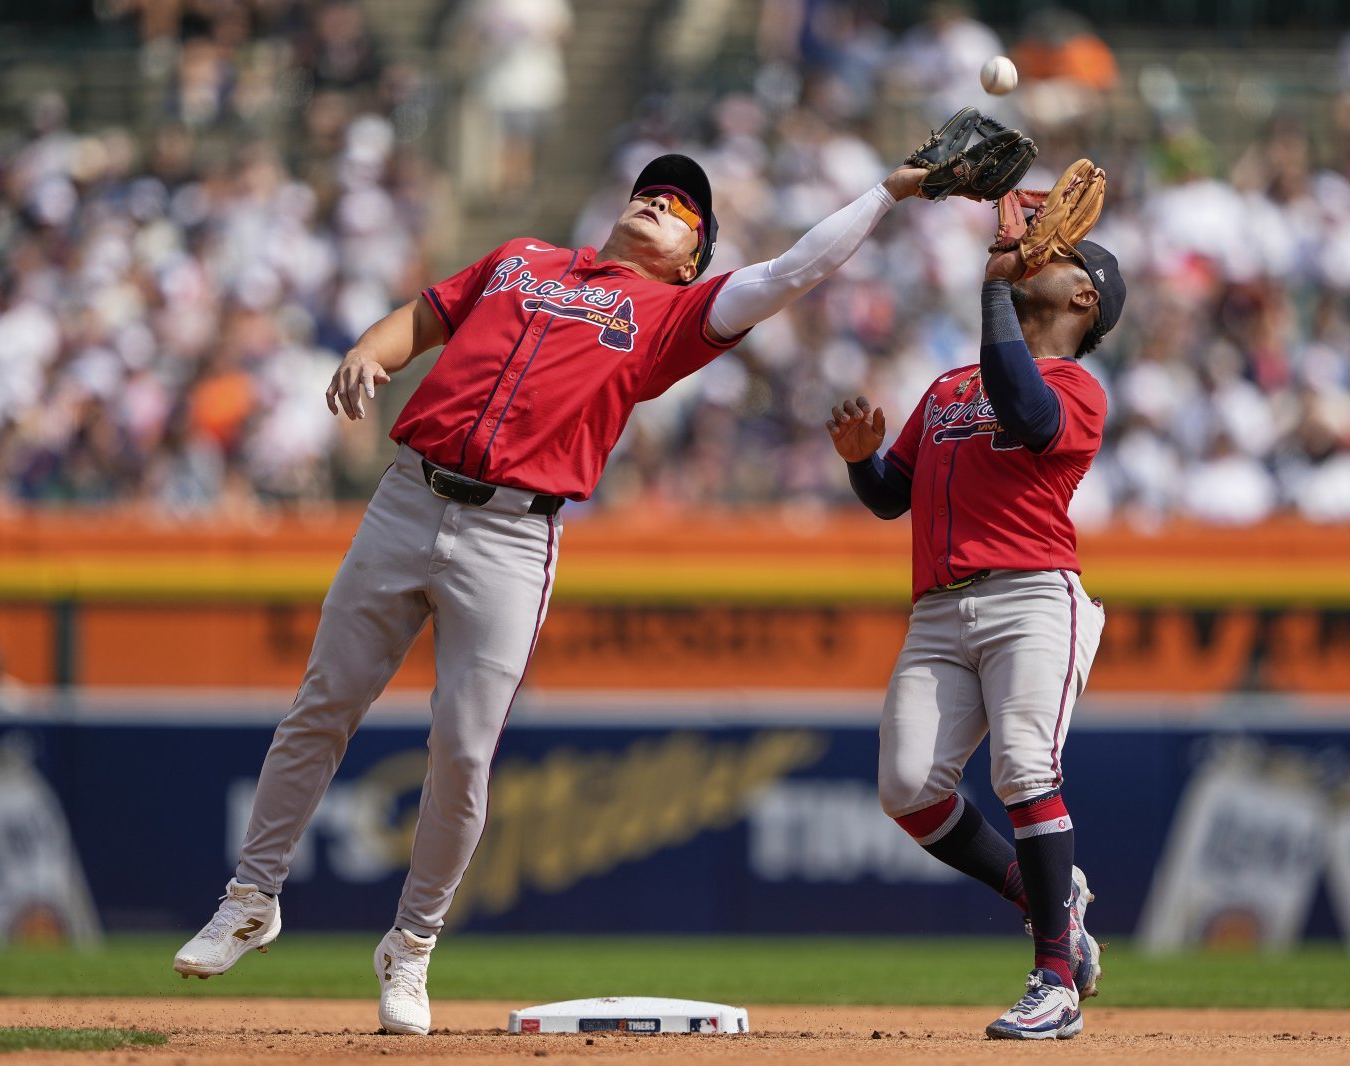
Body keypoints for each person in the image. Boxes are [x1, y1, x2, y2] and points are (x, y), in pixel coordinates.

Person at [173, 151, 933, 1033]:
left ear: (693, 259)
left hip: (512, 533)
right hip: (406, 497)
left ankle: (410, 949)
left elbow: (790, 270)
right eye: (652, 189)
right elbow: (422, 320)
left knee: (460, 751)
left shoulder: (673, 315)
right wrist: (363, 352)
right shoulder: (521, 260)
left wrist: (889, 190)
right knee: (320, 705)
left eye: (683, 206)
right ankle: (251, 898)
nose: (660, 198)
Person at [825, 237, 1124, 1040]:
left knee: (1025, 767)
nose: (1036, 265)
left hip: (1032, 595)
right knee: (907, 786)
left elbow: (1028, 414)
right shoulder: (951, 385)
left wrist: (992, 291)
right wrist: (861, 466)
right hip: (937, 609)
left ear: (1084, 299)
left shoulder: (1078, 387)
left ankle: (1055, 980)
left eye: (1060, 262)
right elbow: (895, 495)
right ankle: (1048, 896)